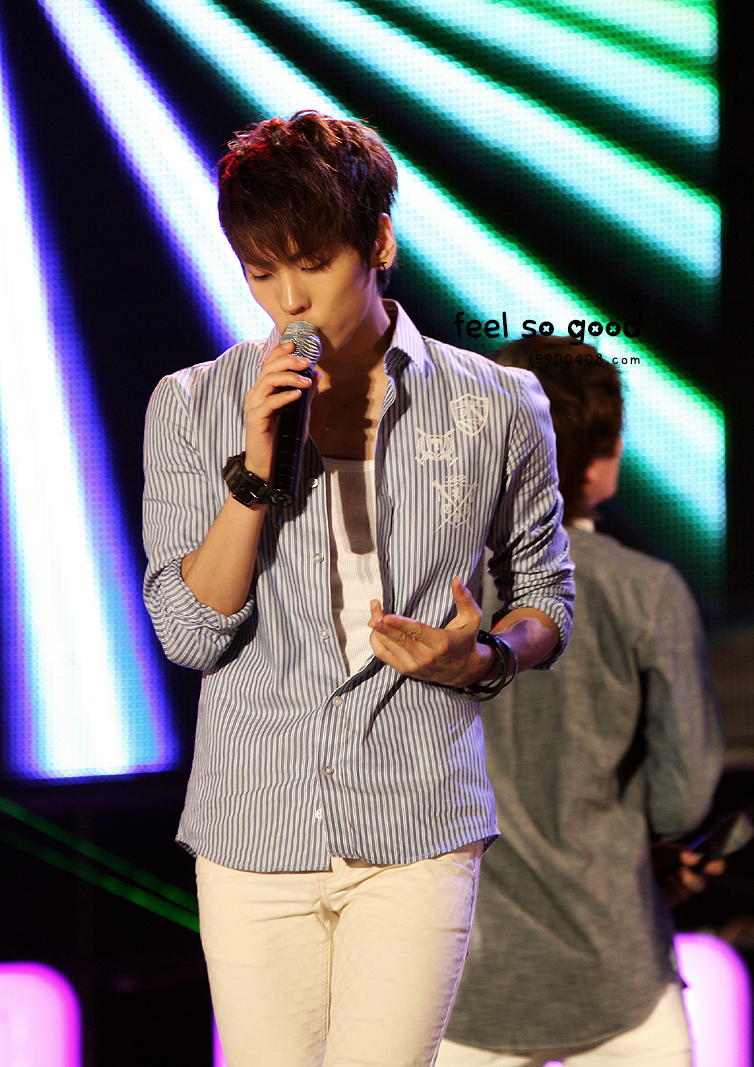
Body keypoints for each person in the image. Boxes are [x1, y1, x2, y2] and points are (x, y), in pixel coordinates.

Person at [142, 112, 574, 1067]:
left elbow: (546, 593)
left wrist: (485, 656)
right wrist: (253, 471)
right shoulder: (191, 404)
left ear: (378, 243)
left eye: (313, 264)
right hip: (254, 821)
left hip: (417, 816)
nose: (289, 299)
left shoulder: (497, 404)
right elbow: (189, 632)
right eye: (261, 272)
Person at [439, 338, 725, 1067]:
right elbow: (683, 801)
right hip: (618, 970)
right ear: (601, 462)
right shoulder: (647, 591)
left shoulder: (432, 590)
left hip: (466, 978)